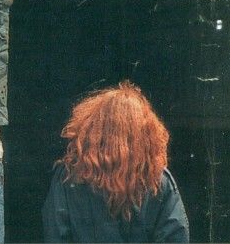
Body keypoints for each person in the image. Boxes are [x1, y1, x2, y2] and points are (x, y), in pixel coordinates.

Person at [42, 80, 189, 243]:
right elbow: (175, 238)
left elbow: (55, 235)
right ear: (146, 134)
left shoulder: (68, 176)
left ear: (90, 128)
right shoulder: (157, 179)